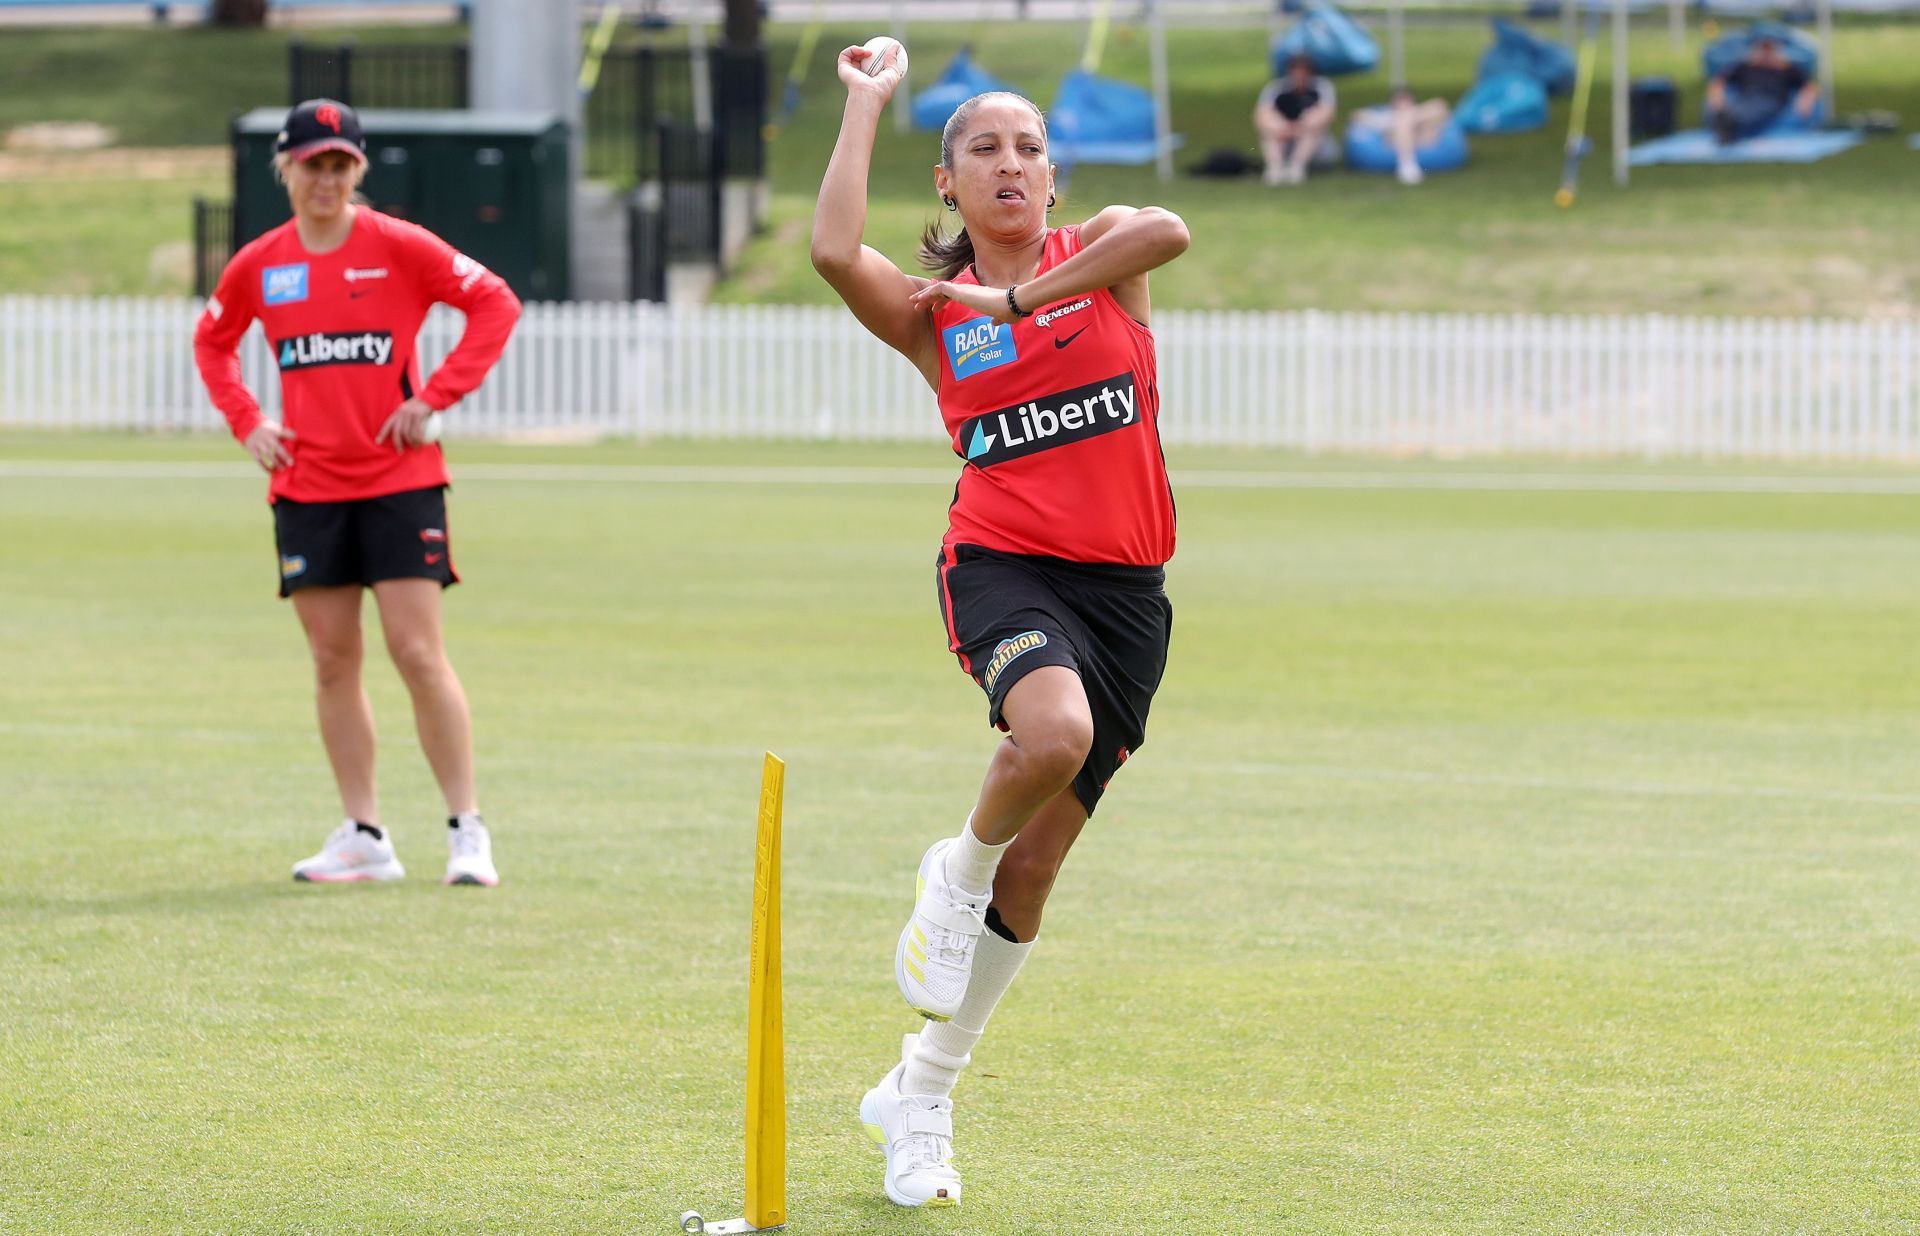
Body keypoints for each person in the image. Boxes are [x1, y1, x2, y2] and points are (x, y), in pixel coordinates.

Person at [812, 44, 1186, 1210]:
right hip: (1003, 565)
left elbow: (1167, 225)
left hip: (1128, 598)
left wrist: (1018, 297)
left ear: (1054, 182)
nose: (1011, 164)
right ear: (950, 183)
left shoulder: (1102, 257)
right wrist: (866, 102)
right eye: (985, 148)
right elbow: (830, 250)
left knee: (1042, 863)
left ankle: (921, 1092)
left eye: (1029, 148)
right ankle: (951, 868)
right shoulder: (933, 321)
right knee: (1051, 735)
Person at [193, 99, 521, 886]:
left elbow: (495, 302)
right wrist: (248, 424)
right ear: (288, 170)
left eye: (341, 165)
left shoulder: (399, 246)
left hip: (400, 483)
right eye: (313, 165)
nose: (327, 180)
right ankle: (365, 835)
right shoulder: (261, 263)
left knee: (417, 652)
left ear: (358, 171)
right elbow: (213, 341)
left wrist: (434, 398)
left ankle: (466, 830)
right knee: (334, 660)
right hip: (307, 487)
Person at [1706, 36, 1818, 144]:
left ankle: (1729, 127)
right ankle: (1726, 125)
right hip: (1746, 98)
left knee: (1755, 111)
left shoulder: (1787, 69)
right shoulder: (1744, 67)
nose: (1766, 54)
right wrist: (1718, 98)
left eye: (1769, 49)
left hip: (1771, 99)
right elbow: (1719, 80)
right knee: (1737, 108)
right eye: (1763, 49)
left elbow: (1809, 86)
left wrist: (1805, 101)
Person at [1253, 53, 1337, 185]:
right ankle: (1275, 168)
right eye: (1296, 71)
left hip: (1314, 144)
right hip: (1283, 137)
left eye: (1304, 72)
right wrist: (1282, 127)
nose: (1299, 76)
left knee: (1313, 123)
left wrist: (1299, 127)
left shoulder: (1321, 88)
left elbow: (1326, 115)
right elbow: (1261, 116)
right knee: (1272, 128)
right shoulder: (1277, 89)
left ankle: (1296, 167)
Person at [1351, 87, 1454, 185]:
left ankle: (1408, 164)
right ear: (1392, 103)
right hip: (1395, 142)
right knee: (1402, 122)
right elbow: (1358, 115)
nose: (1403, 103)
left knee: (1413, 118)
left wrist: (1412, 116)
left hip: (1424, 139)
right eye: (1399, 100)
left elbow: (1440, 106)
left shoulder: (1420, 112)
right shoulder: (1386, 116)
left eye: (1406, 99)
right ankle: (1407, 164)